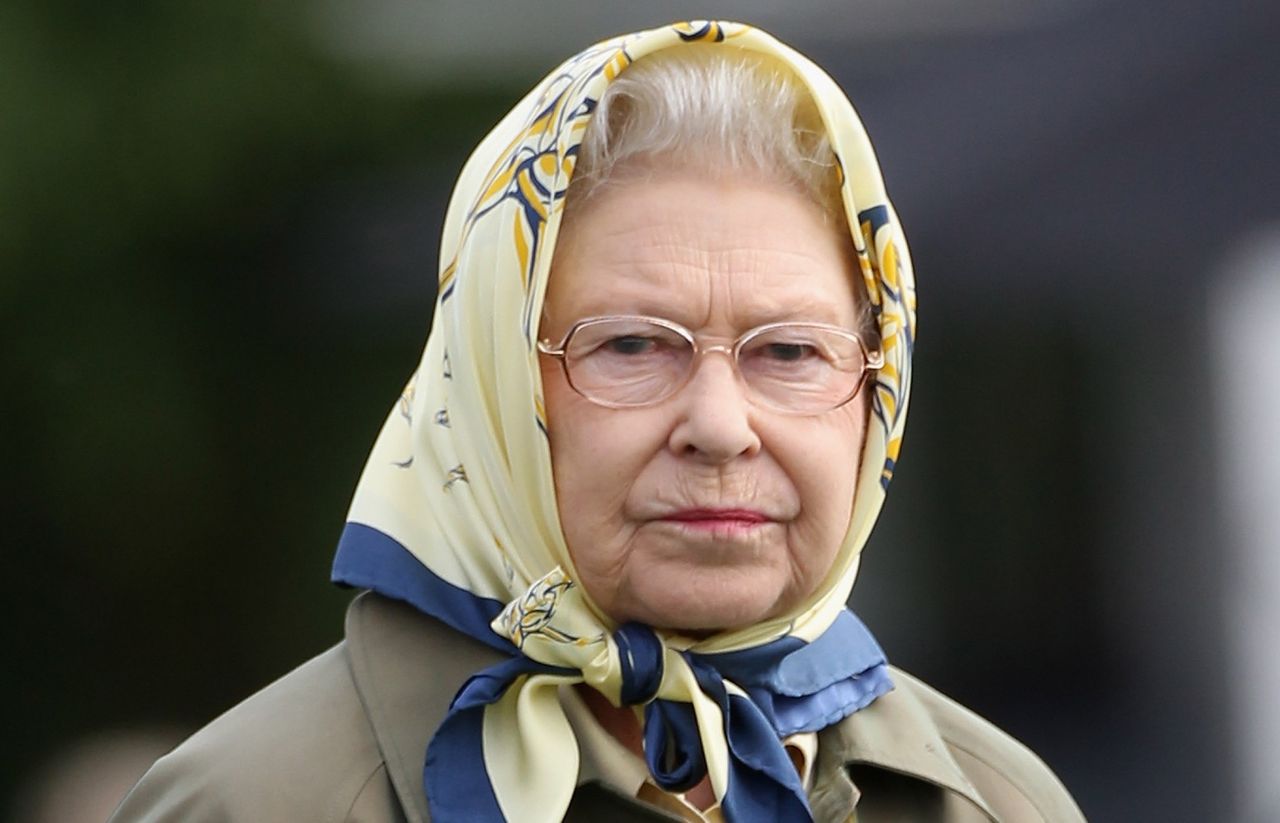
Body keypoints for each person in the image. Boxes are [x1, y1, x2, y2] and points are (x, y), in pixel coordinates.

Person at [110, 20, 1085, 823]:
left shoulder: (990, 800)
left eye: (788, 352)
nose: (718, 425)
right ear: (492, 393)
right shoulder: (252, 803)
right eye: (630, 346)